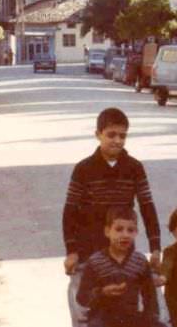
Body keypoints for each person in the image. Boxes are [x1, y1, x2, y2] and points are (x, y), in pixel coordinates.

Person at [76, 206, 175, 327]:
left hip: (129, 318)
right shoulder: (96, 262)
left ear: (136, 233)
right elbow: (82, 297)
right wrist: (102, 292)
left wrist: (150, 319)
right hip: (104, 319)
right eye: (119, 229)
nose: (125, 235)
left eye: (130, 230)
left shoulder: (139, 262)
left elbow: (149, 295)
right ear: (107, 231)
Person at [62, 107, 161, 275]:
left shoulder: (134, 168)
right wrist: (71, 251)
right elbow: (70, 211)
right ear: (98, 134)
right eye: (111, 135)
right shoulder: (83, 169)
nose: (117, 140)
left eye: (122, 136)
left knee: (126, 295)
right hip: (89, 249)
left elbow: (147, 206)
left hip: (123, 247)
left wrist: (155, 248)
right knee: (89, 297)